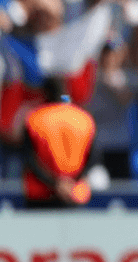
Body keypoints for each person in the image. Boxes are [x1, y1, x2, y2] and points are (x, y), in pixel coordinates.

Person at [21, 79, 95, 209]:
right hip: (75, 193)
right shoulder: (85, 119)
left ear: (44, 94)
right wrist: (71, 182)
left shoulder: (33, 118)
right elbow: (94, 157)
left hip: (41, 195)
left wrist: (55, 184)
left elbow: (29, 159)